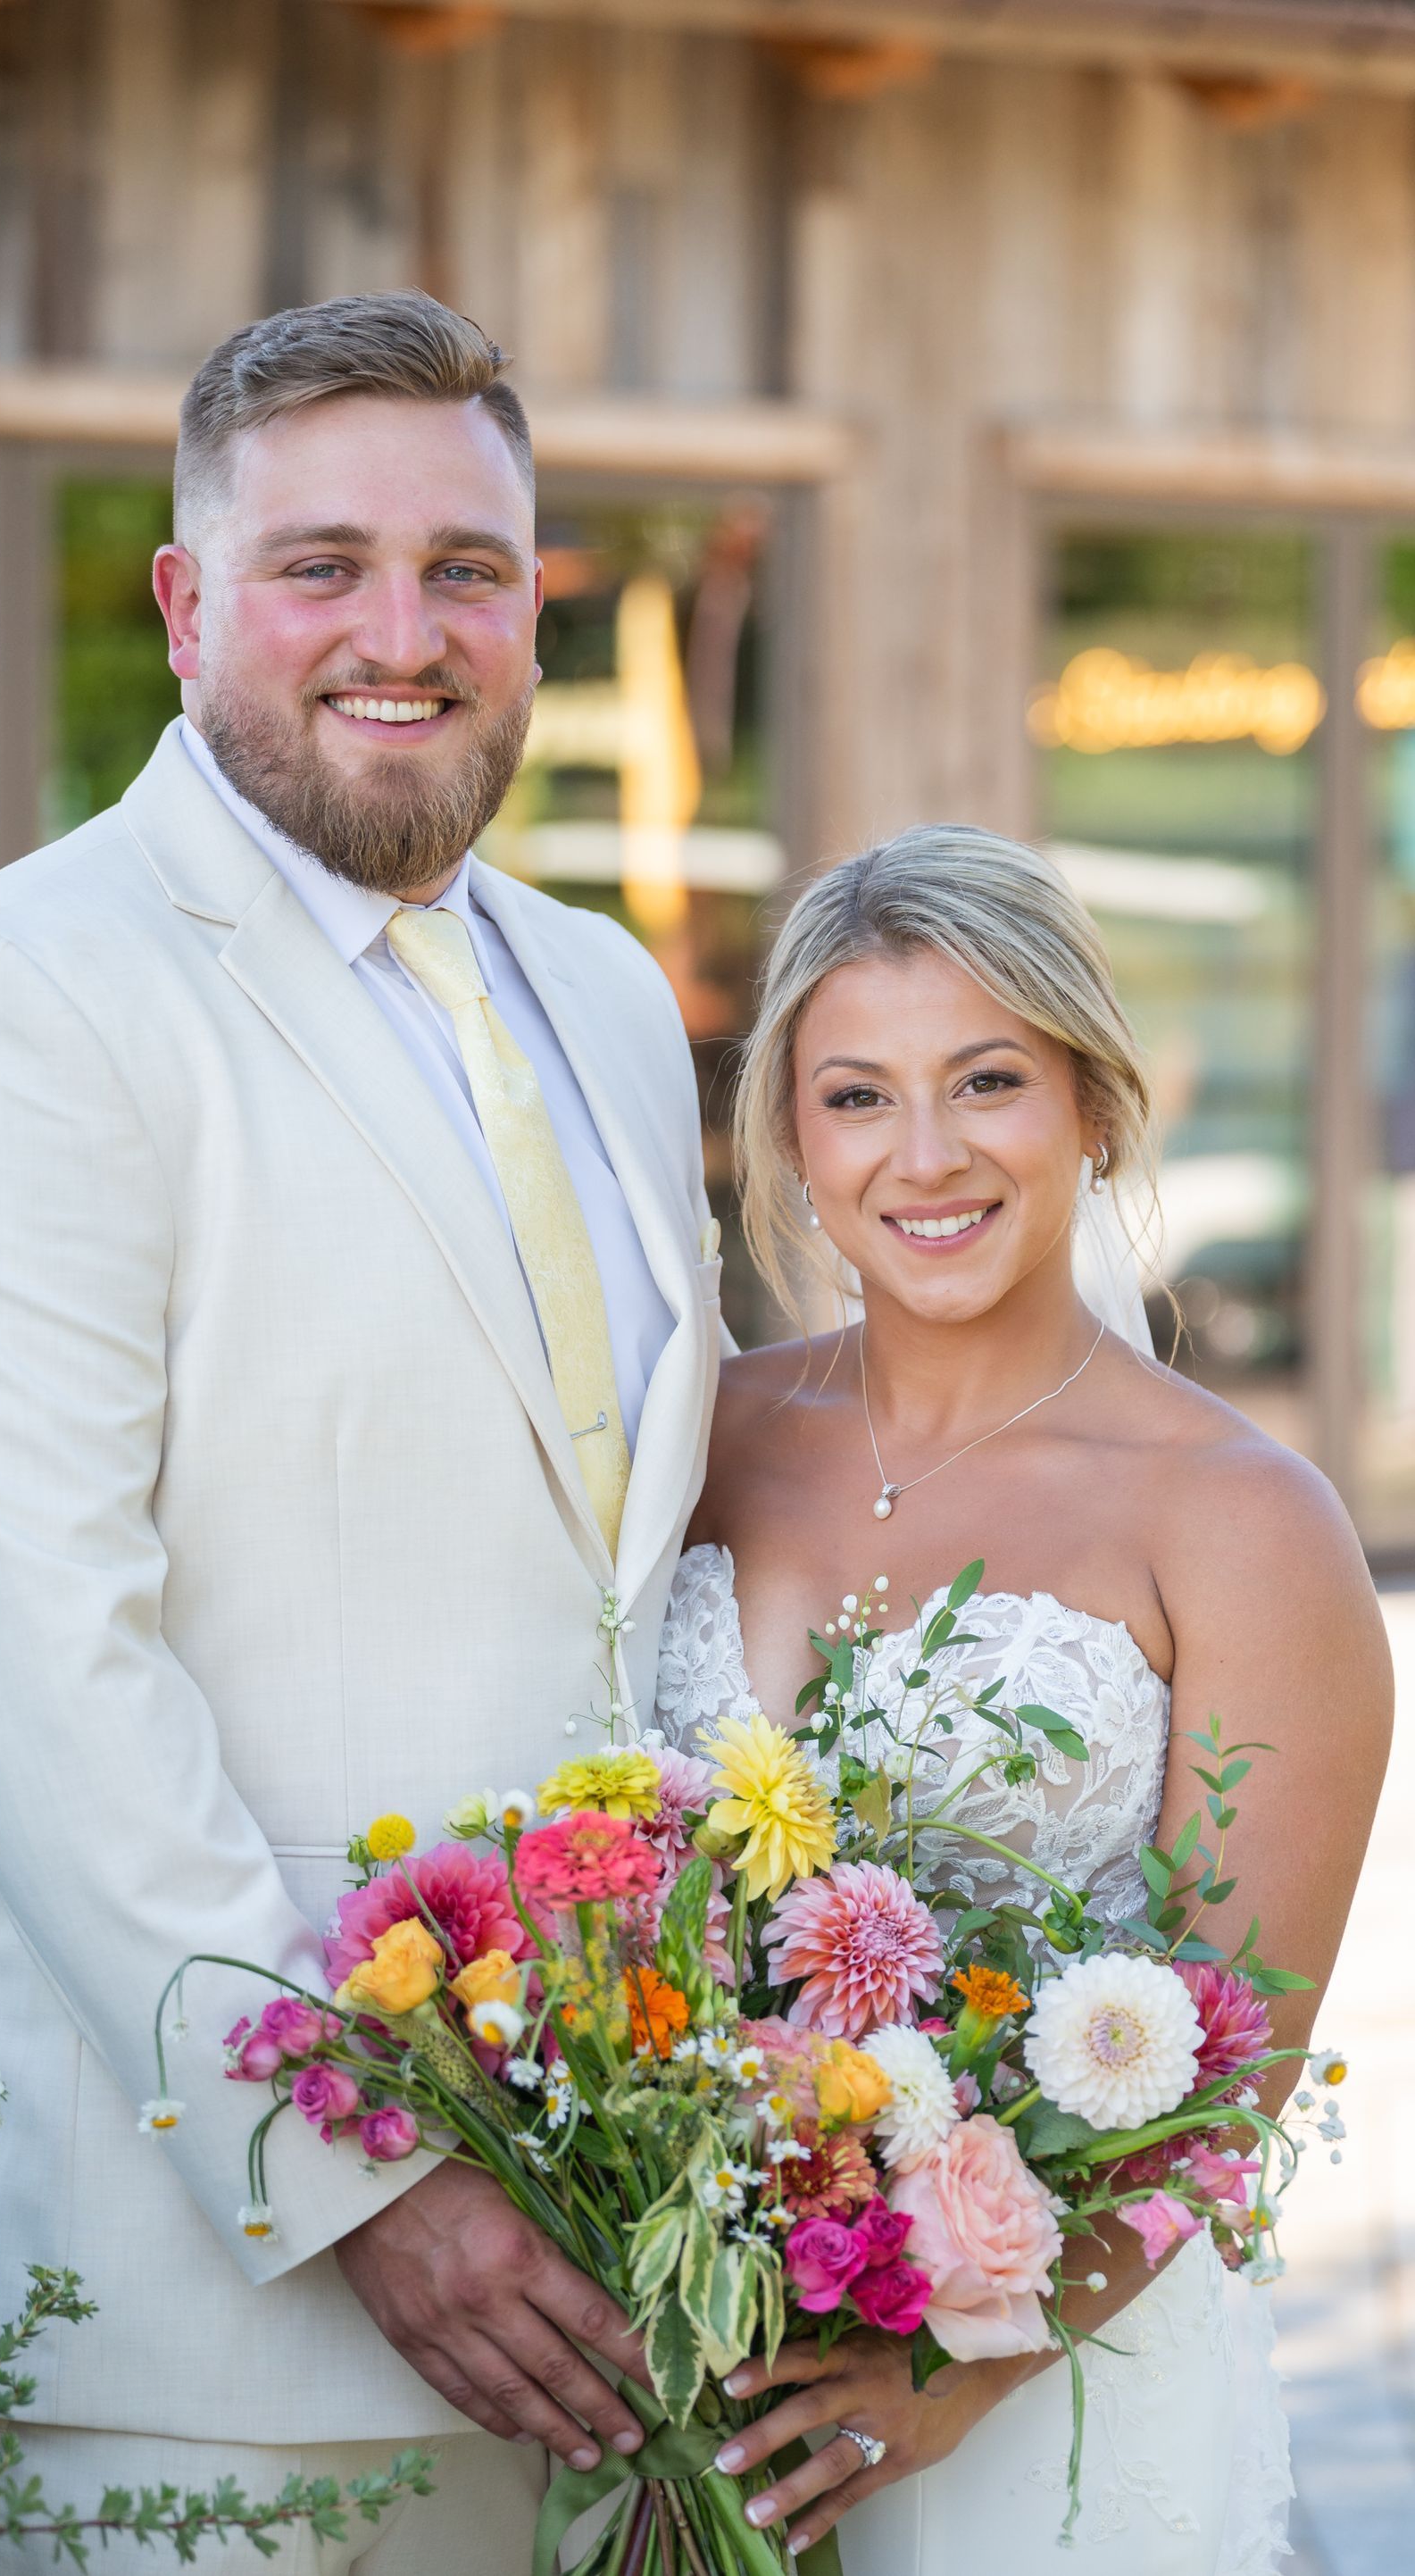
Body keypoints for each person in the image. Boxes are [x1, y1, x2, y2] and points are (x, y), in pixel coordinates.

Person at [0, 292, 726, 2572]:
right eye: (321, 566)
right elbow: (43, 1676)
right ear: (190, 606)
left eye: (468, 571)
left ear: (531, 609)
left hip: (604, 2274)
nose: (400, 634)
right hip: (176, 2318)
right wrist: (359, 2181)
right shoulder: (20, 998)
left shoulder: (602, 991)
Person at [652, 825, 1392, 2572]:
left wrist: (966, 2363)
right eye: (856, 1097)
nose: (925, 1156)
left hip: (1055, 2406)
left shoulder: (1240, 1520)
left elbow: (1238, 2068)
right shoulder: (700, 1449)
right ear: (791, 1140)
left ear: (1097, 1108)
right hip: (709, 2373)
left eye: (987, 1081)